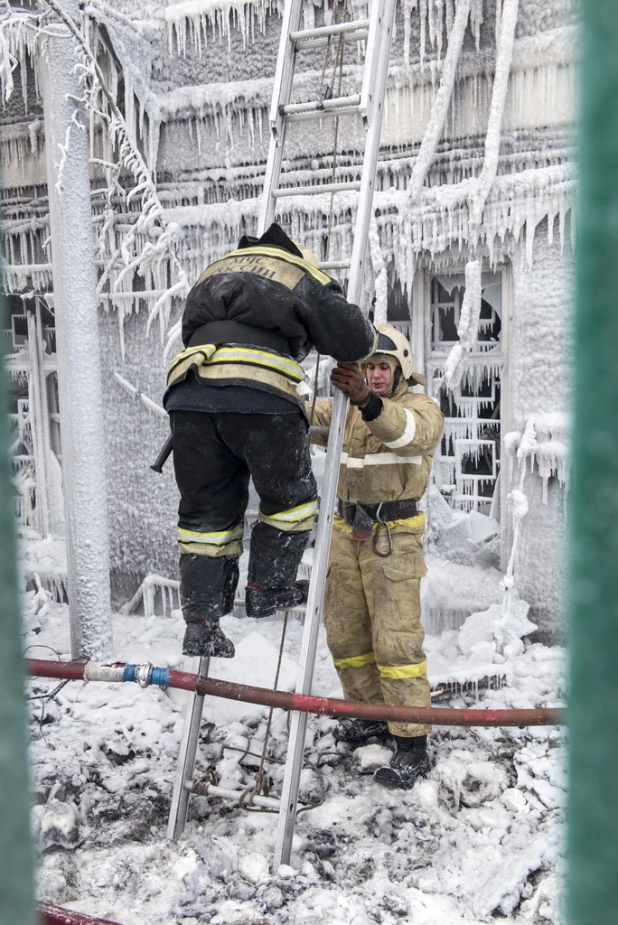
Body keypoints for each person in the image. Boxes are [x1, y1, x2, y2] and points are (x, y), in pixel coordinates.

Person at [164, 222, 376, 659]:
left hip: (189, 396)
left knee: (205, 514)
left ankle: (201, 624)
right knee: (291, 497)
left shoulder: (216, 270)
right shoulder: (297, 270)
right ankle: (269, 587)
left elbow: (193, 332)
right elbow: (354, 339)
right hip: (259, 394)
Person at [309, 323, 444, 789]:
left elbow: (409, 435)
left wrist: (367, 399)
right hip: (346, 530)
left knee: (395, 639)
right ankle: (368, 716)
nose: (375, 374)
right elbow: (305, 417)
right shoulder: (345, 410)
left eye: (382, 366)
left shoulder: (419, 408)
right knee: (345, 633)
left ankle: (411, 741)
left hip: (394, 535)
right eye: (367, 367)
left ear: (399, 368)